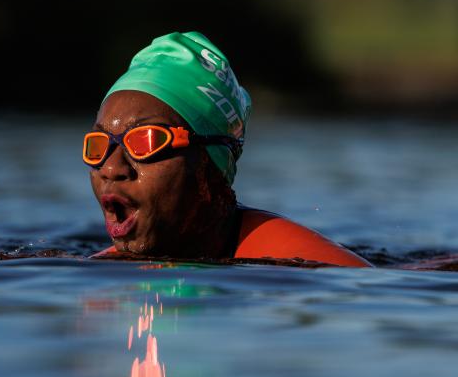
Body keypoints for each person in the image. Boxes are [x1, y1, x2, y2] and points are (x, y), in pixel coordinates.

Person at [84, 31, 372, 267]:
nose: (111, 168)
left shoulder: (304, 264)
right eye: (98, 146)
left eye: (146, 140)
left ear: (209, 166)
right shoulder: (101, 273)